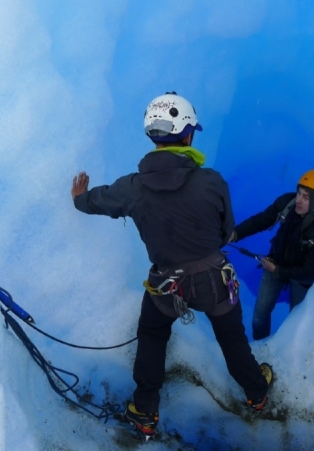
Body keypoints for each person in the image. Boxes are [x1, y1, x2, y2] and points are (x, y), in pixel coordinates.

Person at [71, 92, 272, 439]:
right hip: (214, 281)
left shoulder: (132, 187)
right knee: (231, 340)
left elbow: (99, 201)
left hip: (166, 286)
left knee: (152, 336)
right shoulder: (211, 182)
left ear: (153, 137)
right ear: (188, 135)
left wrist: (79, 199)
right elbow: (225, 233)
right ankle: (257, 394)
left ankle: (145, 411)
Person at [231, 169, 314, 341]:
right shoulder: (287, 202)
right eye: (299, 193)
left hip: (301, 278)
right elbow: (262, 220)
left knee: (297, 321)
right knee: (260, 314)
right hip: (276, 262)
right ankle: (260, 348)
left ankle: (288, 354)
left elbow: (309, 270)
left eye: (306, 197)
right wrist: (236, 233)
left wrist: (277, 270)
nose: (298, 200)